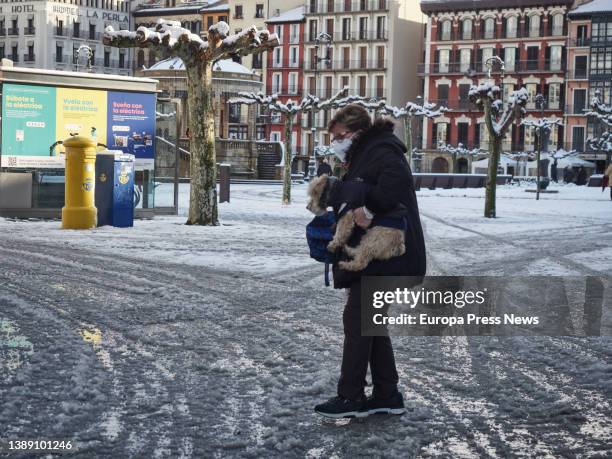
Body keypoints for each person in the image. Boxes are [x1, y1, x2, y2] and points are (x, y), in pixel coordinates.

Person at [313, 105, 426, 418]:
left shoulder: (381, 149)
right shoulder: (366, 153)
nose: (335, 142)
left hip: (388, 254)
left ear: (356, 132)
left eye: (339, 136)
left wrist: (371, 209)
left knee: (358, 320)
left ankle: (350, 397)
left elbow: (398, 181)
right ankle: (387, 394)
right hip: (378, 256)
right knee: (370, 323)